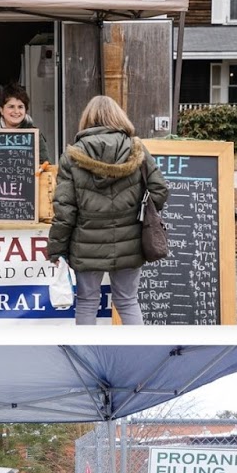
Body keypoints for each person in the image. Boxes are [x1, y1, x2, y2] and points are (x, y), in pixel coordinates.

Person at [44, 95, 170, 325]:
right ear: (118, 116)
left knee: (87, 302)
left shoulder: (72, 155)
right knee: (128, 301)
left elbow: (65, 209)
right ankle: (140, 356)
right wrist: (137, 211)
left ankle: (87, 357)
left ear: (87, 119)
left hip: (85, 242)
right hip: (130, 240)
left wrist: (56, 248)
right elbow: (160, 189)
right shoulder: (136, 149)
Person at [0, 84, 50, 164]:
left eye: (20, 107)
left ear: (25, 110)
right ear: (1, 110)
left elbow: (46, 165)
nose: (16, 111)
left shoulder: (36, 136)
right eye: (11, 107)